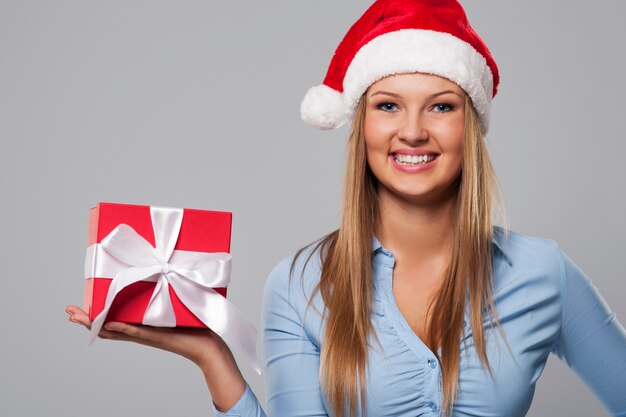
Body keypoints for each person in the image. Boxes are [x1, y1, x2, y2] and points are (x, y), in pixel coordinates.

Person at [66, 0, 626, 416]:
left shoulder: (542, 273)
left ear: (470, 126)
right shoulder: (299, 285)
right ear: (361, 129)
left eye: (440, 106)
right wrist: (213, 357)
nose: (412, 131)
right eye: (388, 105)